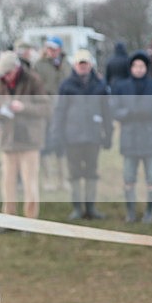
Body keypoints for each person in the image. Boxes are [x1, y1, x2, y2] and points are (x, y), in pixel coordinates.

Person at [50, 50, 112, 220]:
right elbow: (59, 112)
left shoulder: (100, 85)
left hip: (93, 137)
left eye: (86, 63)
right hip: (72, 138)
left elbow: (107, 112)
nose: (83, 66)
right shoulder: (66, 85)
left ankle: (91, 208)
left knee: (92, 173)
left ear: (90, 64)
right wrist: (57, 137)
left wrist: (108, 135)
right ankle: (77, 208)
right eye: (80, 63)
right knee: (75, 173)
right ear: (75, 65)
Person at [0, 51, 51, 219]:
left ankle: (30, 220)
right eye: (3, 74)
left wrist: (23, 107)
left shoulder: (33, 80)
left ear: (16, 68)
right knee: (7, 184)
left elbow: (45, 108)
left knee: (29, 183)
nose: (6, 78)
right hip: (8, 141)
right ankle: (9, 219)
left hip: (29, 141)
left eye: (8, 73)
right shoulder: (0, 83)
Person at [110, 51, 152, 223]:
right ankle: (131, 212)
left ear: (146, 67)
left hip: (151, 139)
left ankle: (149, 212)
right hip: (130, 139)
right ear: (131, 68)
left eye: (142, 66)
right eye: (135, 66)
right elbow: (114, 109)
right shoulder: (121, 87)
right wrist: (128, 113)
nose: (139, 69)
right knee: (129, 177)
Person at [33, 36, 71, 192]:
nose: (50, 51)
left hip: (63, 108)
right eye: (48, 48)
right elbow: (36, 87)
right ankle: (48, 179)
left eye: (54, 48)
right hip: (46, 107)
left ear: (59, 50)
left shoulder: (66, 65)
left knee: (62, 144)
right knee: (46, 144)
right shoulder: (39, 65)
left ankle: (63, 180)